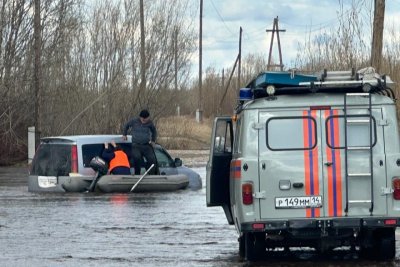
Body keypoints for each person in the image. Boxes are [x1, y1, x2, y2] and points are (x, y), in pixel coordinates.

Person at [122, 109, 158, 175]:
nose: (144, 121)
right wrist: (124, 134)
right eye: (143, 119)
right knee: (137, 158)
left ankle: (151, 174)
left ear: (148, 118)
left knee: (152, 159)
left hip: (146, 145)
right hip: (136, 145)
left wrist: (153, 140)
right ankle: (137, 174)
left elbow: (154, 131)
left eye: (146, 119)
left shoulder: (150, 123)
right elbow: (126, 125)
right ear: (140, 117)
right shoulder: (134, 121)